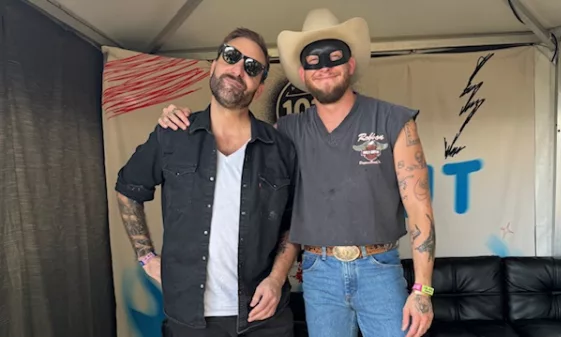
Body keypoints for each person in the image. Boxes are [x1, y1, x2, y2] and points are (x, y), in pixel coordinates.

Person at [158, 8, 436, 337]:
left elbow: (419, 206)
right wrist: (181, 120)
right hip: (318, 272)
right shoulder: (286, 131)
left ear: (351, 64)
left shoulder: (394, 120)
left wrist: (423, 290)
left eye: (334, 57)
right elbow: (231, 130)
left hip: (380, 268)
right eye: (313, 61)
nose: (325, 68)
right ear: (303, 74)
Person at [115, 27, 299, 337]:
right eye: (231, 57)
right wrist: (146, 257)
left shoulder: (280, 148)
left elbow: (294, 222)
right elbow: (128, 188)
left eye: (252, 67)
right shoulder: (172, 134)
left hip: (263, 317)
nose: (239, 69)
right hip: (189, 318)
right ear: (214, 65)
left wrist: (276, 278)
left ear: (261, 85)